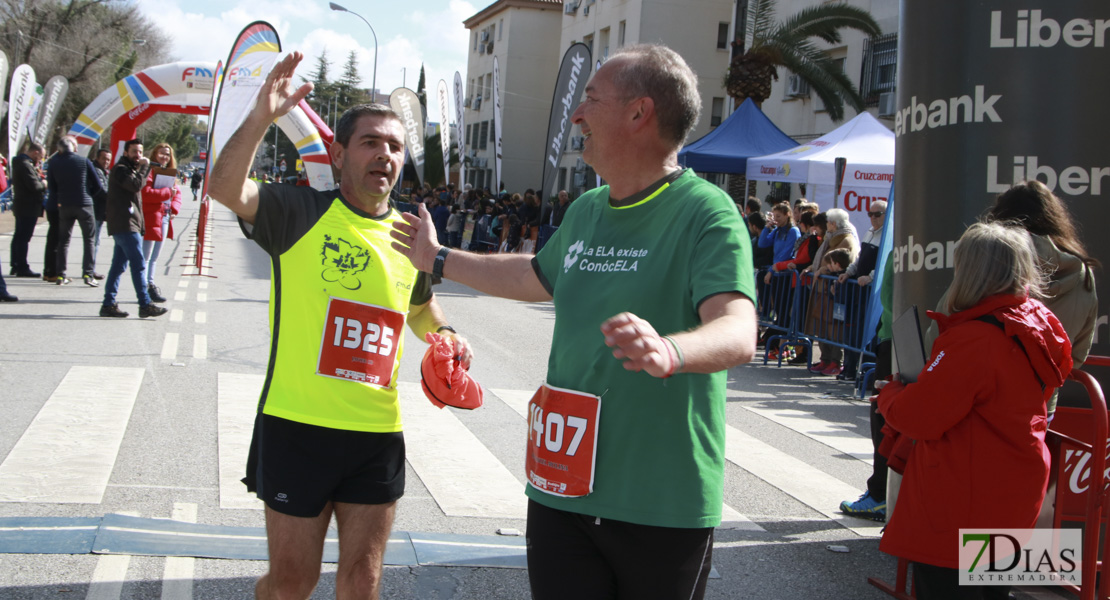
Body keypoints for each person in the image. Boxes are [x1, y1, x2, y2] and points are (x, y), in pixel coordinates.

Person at [390, 43, 757, 600]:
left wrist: (670, 352)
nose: (577, 115)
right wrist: (438, 259)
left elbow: (737, 328)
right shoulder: (587, 209)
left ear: (639, 113)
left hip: (658, 500)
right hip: (561, 487)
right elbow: (533, 276)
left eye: (590, 98)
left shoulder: (706, 211)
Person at [206, 52, 472, 600]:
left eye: (395, 146)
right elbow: (225, 187)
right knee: (291, 584)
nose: (385, 154)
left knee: (362, 584)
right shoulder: (297, 212)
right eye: (371, 142)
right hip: (296, 427)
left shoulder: (411, 235)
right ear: (339, 152)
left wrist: (443, 337)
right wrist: (262, 117)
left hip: (376, 434)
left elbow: (419, 305)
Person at [876, 222, 1072, 599]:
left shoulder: (975, 339)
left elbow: (919, 417)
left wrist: (892, 393)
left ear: (970, 271)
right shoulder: (1038, 321)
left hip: (964, 498)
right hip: (1012, 486)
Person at [925, 180, 1098, 418]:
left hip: (974, 400)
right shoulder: (1082, 274)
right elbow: (1075, 355)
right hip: (1037, 407)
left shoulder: (987, 260)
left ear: (1001, 216)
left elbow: (939, 330)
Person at [100, 139, 167, 319]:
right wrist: (145, 168)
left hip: (128, 224)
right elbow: (136, 185)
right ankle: (145, 304)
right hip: (125, 224)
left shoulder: (130, 169)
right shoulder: (121, 170)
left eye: (140, 152)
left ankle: (108, 304)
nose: (138, 155)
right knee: (138, 264)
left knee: (118, 266)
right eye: (134, 152)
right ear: (125, 153)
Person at [805, 208, 859, 375]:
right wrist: (811, 268)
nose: (826, 224)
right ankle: (825, 358)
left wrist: (823, 270)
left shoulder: (846, 240)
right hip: (821, 288)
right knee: (821, 324)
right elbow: (821, 259)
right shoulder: (830, 238)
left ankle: (835, 360)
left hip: (833, 290)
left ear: (834, 224)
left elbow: (841, 262)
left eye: (828, 221)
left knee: (833, 327)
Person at [46, 136, 104, 287]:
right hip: (84, 204)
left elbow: (52, 187)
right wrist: (88, 194)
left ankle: (61, 274)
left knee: (63, 241)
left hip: (64, 205)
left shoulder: (54, 163)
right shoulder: (84, 161)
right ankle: (88, 274)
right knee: (89, 239)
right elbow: (98, 185)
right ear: (74, 148)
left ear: (59, 149)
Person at [140, 143, 182, 304]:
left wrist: (174, 210)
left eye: (167, 154)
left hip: (164, 216)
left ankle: (150, 284)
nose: (165, 157)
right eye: (162, 153)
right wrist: (166, 193)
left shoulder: (171, 173)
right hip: (151, 216)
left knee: (155, 257)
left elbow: (176, 195)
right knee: (146, 255)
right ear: (155, 154)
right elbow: (146, 193)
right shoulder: (149, 171)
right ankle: (145, 288)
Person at [9, 141, 46, 278]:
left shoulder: (21, 163)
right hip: (28, 206)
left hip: (22, 205)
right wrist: (44, 184)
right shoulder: (25, 165)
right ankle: (22, 266)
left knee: (19, 236)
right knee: (24, 237)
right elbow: (34, 186)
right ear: (35, 152)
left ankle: (16, 263)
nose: (40, 160)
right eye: (40, 156)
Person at [91, 149, 112, 277]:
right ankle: (89, 269)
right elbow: (102, 190)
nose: (106, 162)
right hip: (95, 210)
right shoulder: (96, 171)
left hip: (100, 210)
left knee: (95, 241)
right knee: (94, 241)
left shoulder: (104, 172)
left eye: (108, 159)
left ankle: (89, 268)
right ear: (97, 158)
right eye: (104, 158)